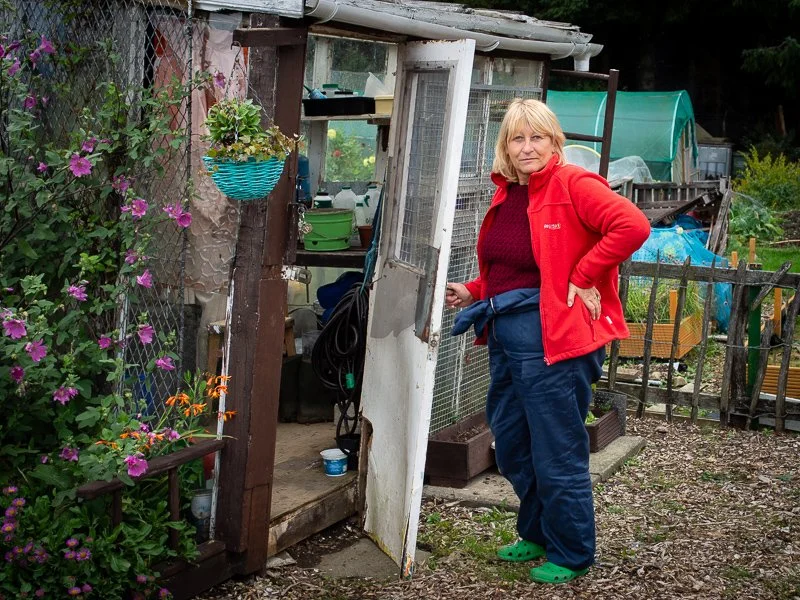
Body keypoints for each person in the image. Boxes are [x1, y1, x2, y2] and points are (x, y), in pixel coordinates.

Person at [446, 98, 649, 584]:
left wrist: (584, 275)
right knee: (513, 444)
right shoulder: (508, 193)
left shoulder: (572, 184)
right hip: (506, 338)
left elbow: (633, 225)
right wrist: (473, 290)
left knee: (557, 450)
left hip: (556, 342)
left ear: (554, 141)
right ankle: (535, 531)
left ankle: (573, 551)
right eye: (518, 138)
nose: (528, 146)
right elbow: (515, 266)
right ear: (506, 147)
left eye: (537, 136)